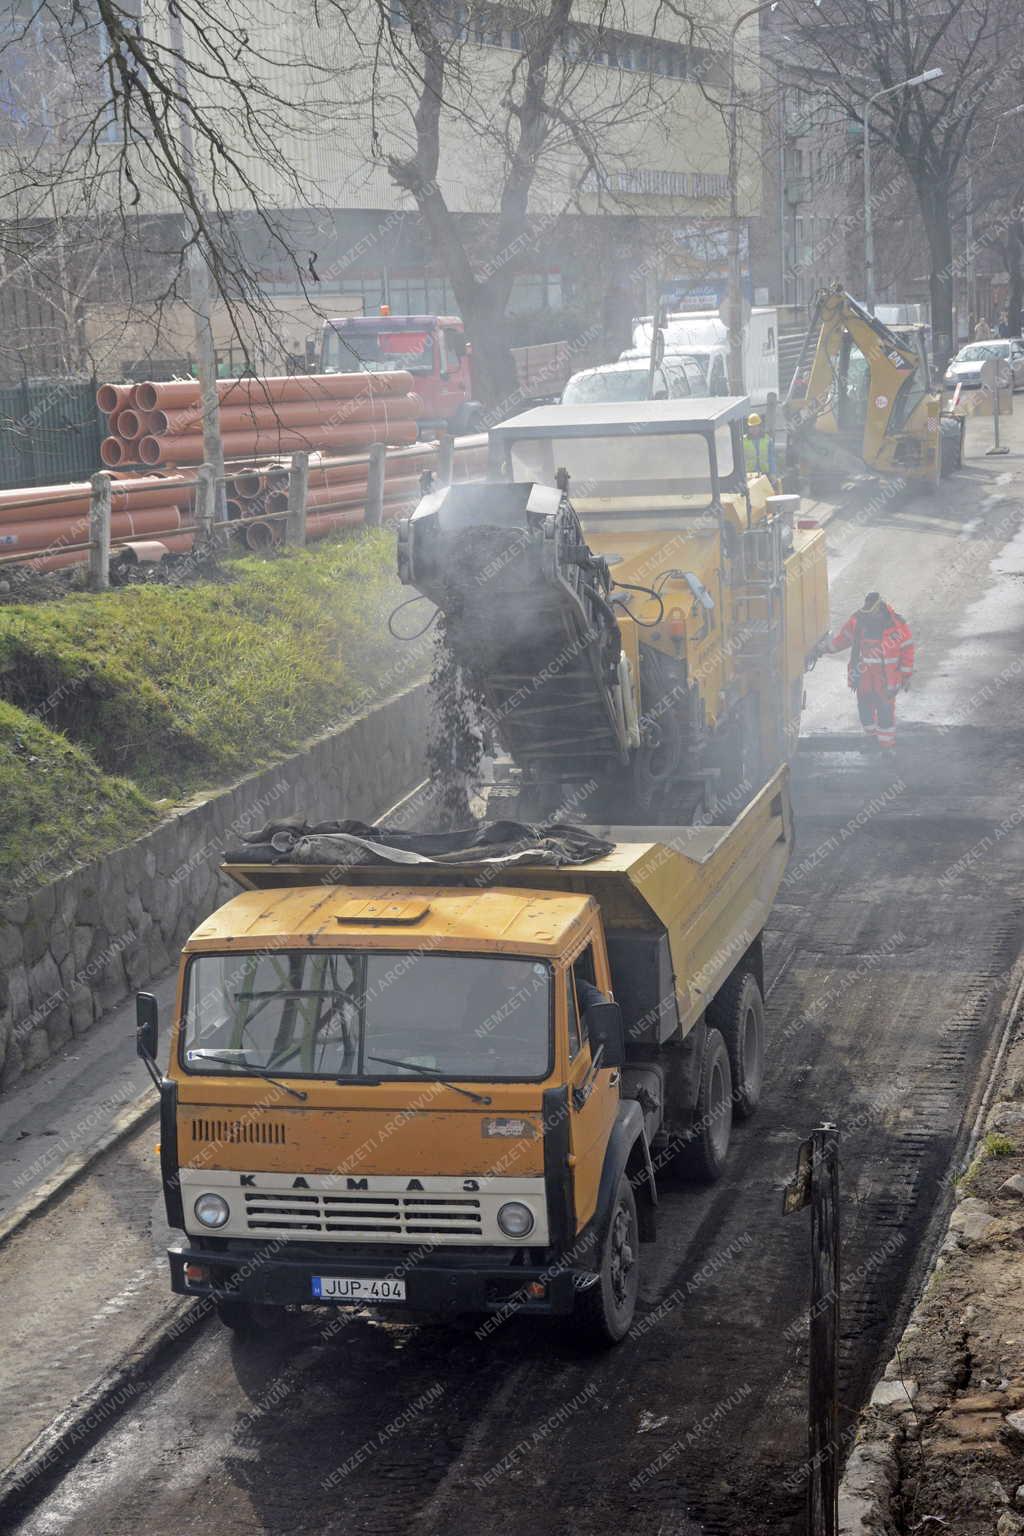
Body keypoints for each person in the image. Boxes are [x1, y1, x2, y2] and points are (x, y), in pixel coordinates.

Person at [818, 592, 914, 750]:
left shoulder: (897, 625)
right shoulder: (858, 621)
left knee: (885, 714)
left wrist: (906, 676)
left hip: (886, 680)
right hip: (863, 677)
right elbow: (844, 639)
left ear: (880, 609)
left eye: (873, 613)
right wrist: (825, 648)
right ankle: (871, 740)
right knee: (865, 713)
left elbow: (907, 650)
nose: (870, 616)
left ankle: (887, 748)